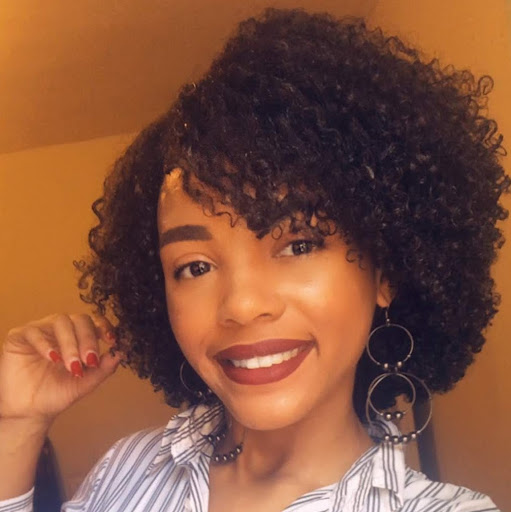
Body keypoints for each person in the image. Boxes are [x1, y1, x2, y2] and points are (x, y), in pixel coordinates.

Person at [0, 7, 508, 512]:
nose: (241, 305)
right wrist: (17, 425)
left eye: (299, 245)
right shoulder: (129, 467)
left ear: (385, 272)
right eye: (195, 266)